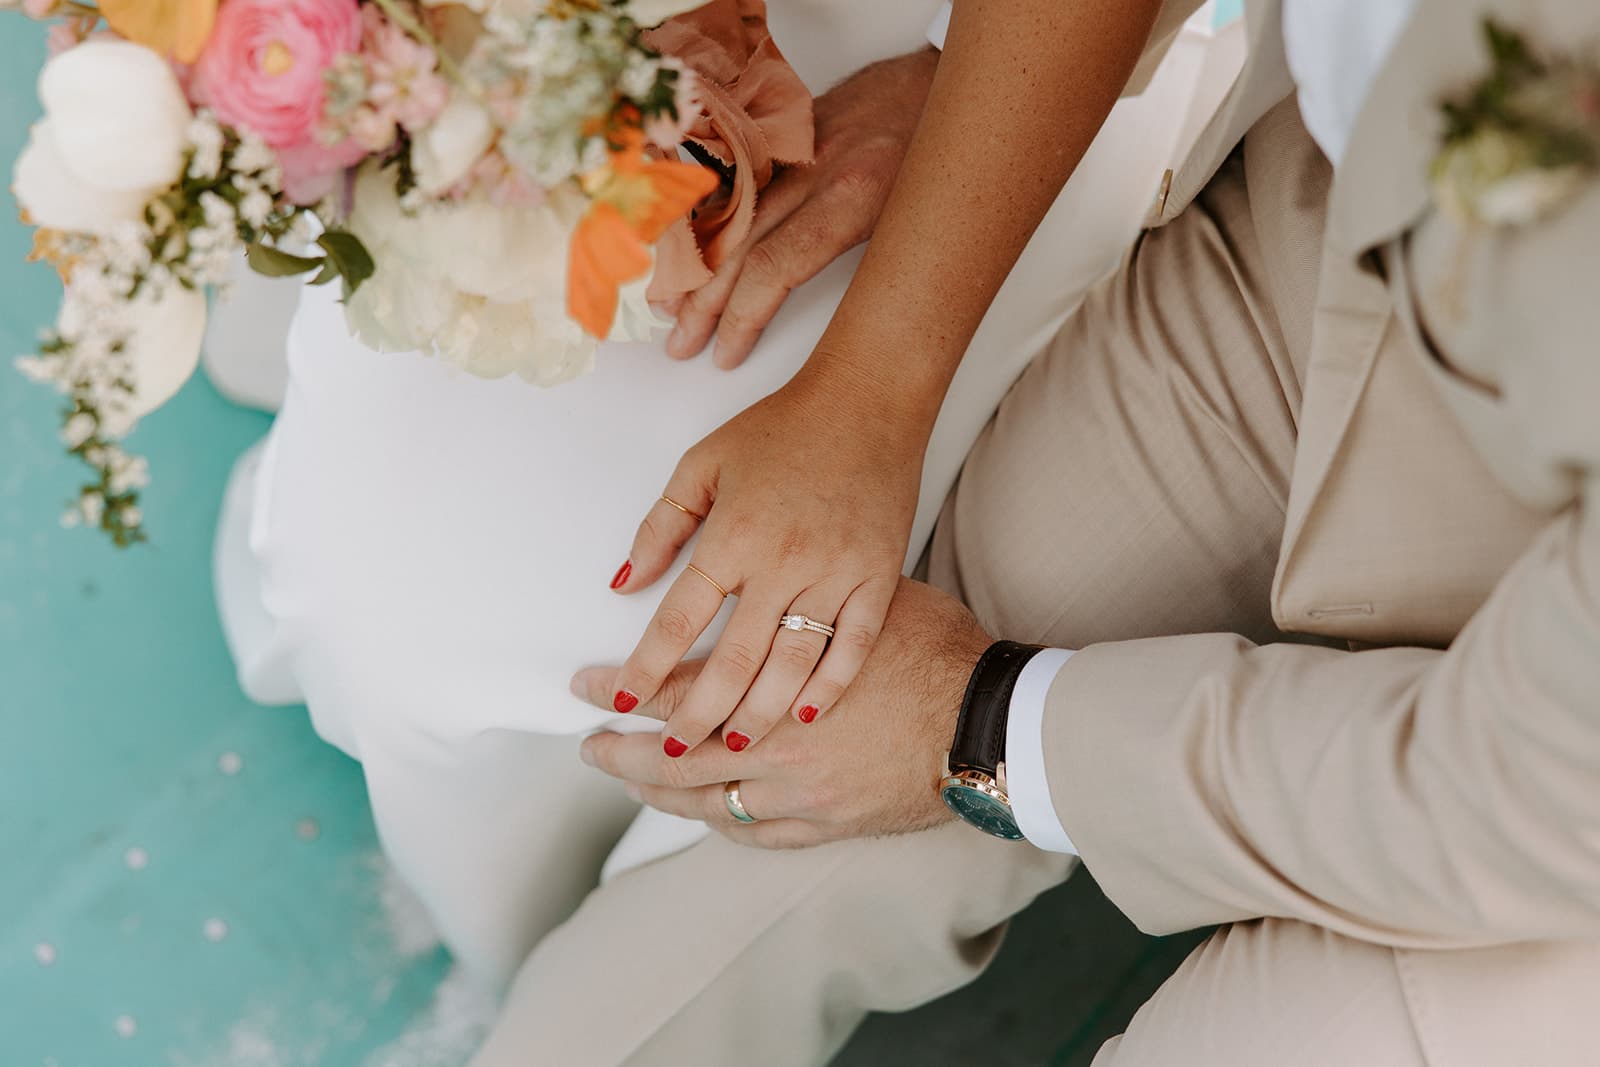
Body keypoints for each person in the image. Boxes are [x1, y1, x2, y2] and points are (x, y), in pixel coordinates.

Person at [561, 0, 1600, 1062]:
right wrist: (960, 102)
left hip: (1560, 825)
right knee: (776, 785)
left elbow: (1527, 794)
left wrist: (982, 724)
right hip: (1323, 266)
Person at [215, 0, 1216, 1029]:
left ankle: (563, 909)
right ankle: (504, 881)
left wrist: (871, 385)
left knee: (600, 601)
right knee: (378, 564)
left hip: (1005, 60)